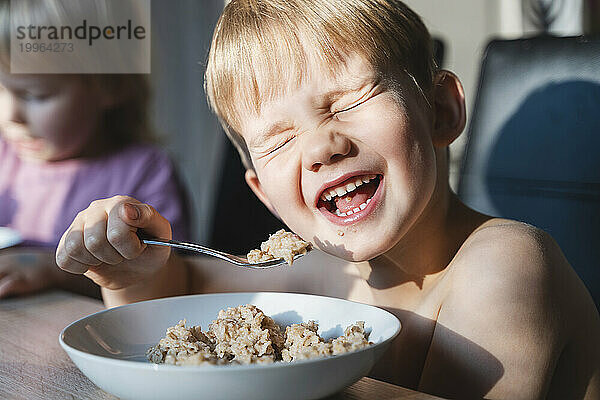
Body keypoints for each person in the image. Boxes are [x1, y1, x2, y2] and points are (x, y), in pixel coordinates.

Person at [55, 0, 600, 398]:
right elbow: (183, 296)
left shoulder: (506, 265)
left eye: (349, 101)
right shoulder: (325, 276)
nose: (320, 147)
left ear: (439, 111)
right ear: (265, 197)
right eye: (279, 139)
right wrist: (130, 275)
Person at [0, 0, 191, 299]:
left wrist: (52, 269)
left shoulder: (144, 172)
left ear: (110, 86)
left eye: (35, 95)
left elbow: (172, 277)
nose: (10, 115)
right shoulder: (4, 157)